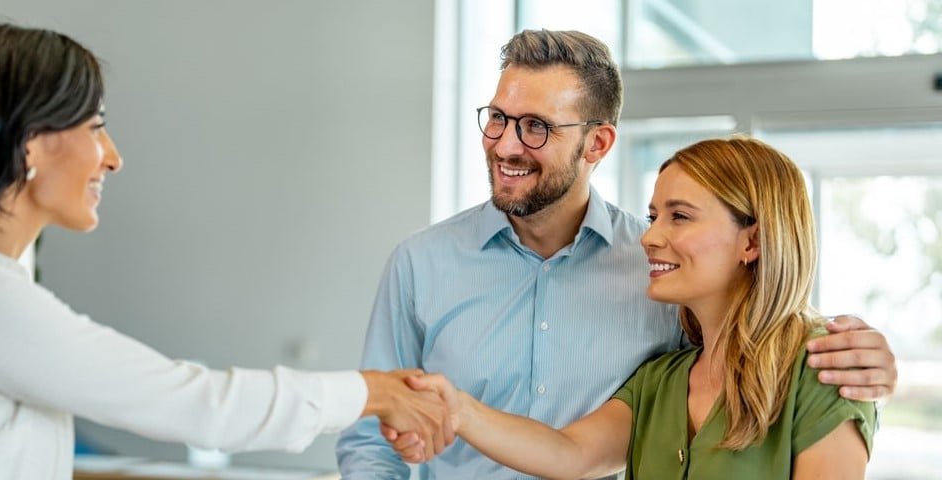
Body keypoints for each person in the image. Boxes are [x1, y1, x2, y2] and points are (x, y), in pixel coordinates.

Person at [0, 16, 453, 480]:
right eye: (96, 127)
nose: (112, 157)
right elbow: (196, 404)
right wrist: (371, 392)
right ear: (30, 143)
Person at [335, 29, 896, 479]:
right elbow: (566, 454)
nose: (506, 144)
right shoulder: (419, 264)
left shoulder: (661, 276)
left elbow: (768, 325)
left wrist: (866, 360)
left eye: (535, 127)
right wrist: (453, 406)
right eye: (500, 119)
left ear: (597, 143)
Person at [391, 136, 876, 479]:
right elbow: (570, 454)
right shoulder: (662, 379)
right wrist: (459, 409)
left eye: (679, 217)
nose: (649, 237)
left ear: (752, 240)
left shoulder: (825, 370)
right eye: (652, 216)